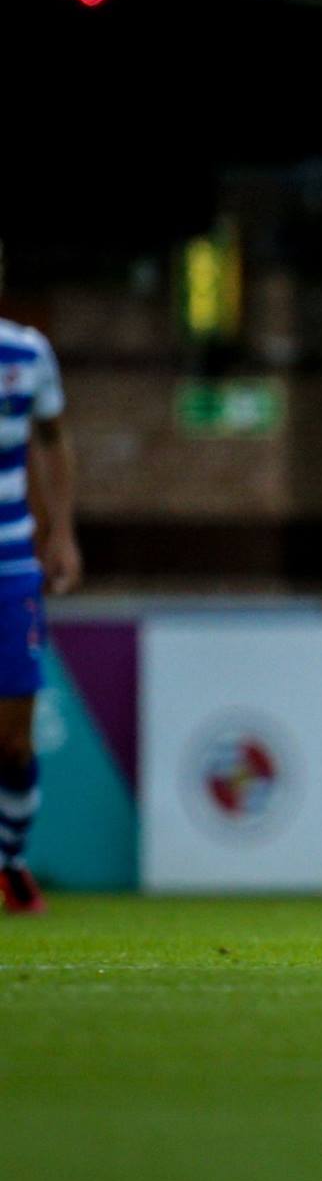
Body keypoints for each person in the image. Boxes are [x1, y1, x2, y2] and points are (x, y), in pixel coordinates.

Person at [0, 241, 83, 915]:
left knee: (13, 740)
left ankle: (11, 858)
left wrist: (61, 532)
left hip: (11, 564)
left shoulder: (27, 353)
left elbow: (53, 439)